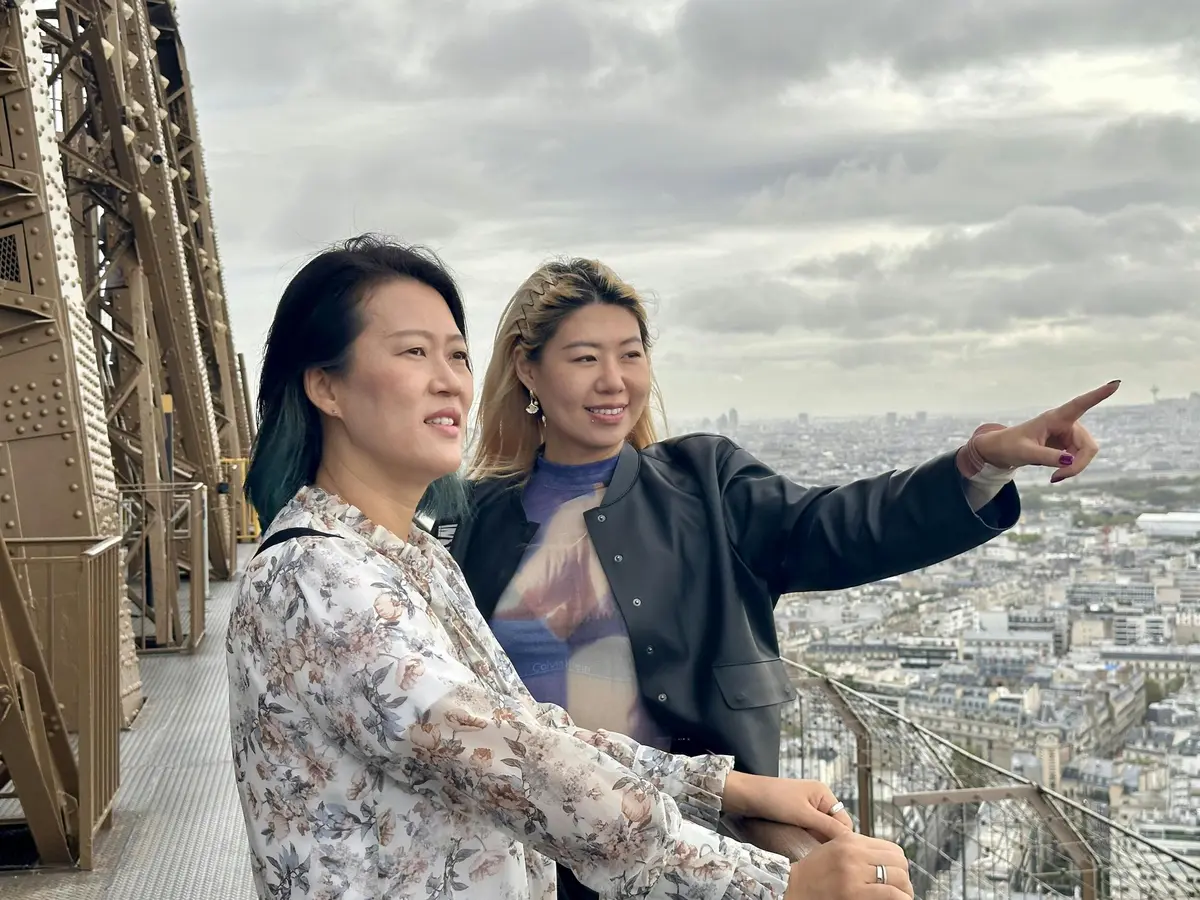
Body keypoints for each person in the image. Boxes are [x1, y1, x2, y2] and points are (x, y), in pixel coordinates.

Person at [227, 235, 916, 900]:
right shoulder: (316, 582)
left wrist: (723, 788)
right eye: (413, 352)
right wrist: (778, 884)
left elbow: (531, 730)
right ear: (326, 387)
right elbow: (526, 770)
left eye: (458, 355)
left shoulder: (416, 560)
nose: (449, 381)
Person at [433, 258, 1117, 896]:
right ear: (527, 369)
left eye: (631, 354)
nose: (614, 380)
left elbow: (838, 527)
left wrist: (981, 464)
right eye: (585, 358)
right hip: (525, 860)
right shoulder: (467, 518)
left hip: (698, 854)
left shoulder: (705, 483)